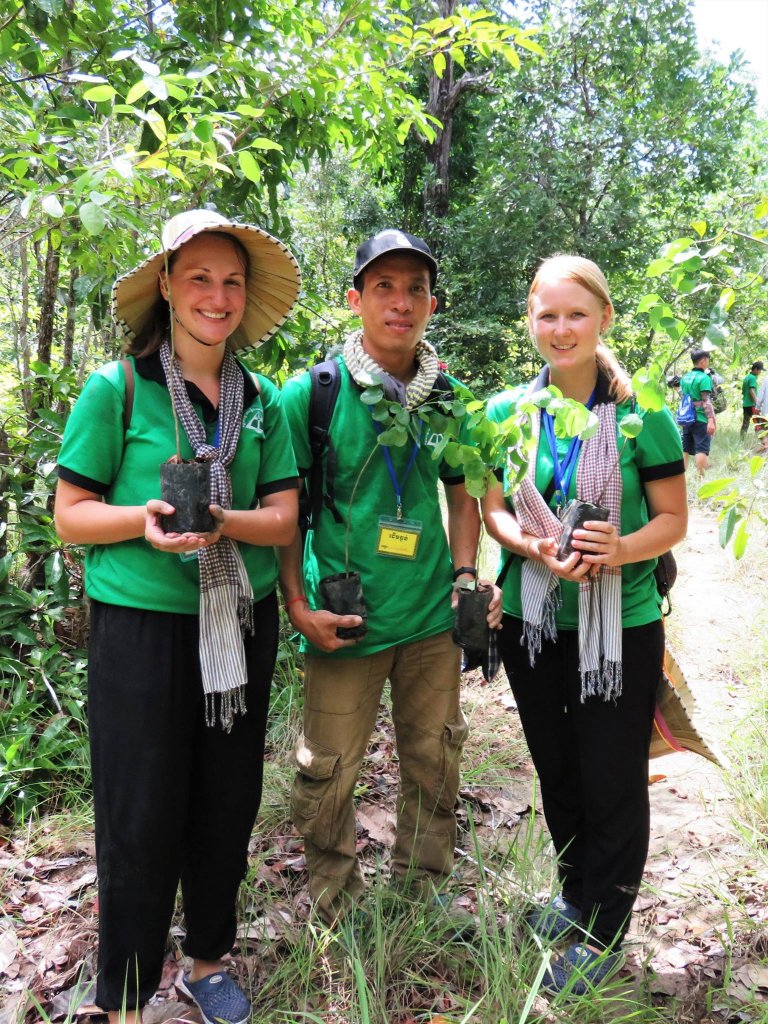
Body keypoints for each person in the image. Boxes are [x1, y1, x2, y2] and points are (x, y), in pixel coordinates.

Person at [54, 210, 301, 1024]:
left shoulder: (260, 401)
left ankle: (207, 961)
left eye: (232, 281)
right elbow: (72, 514)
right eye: (199, 277)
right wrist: (143, 519)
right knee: (139, 806)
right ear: (166, 285)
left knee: (225, 801)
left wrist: (224, 523)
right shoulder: (117, 388)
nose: (216, 296)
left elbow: (284, 517)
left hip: (238, 620)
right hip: (142, 629)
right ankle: (122, 992)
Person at [279, 229, 501, 924]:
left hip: (432, 612)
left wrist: (467, 574)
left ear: (433, 304)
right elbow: (283, 512)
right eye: (384, 287)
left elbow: (465, 489)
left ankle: (423, 888)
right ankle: (335, 899)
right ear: (355, 299)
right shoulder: (310, 395)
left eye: (415, 289)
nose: (400, 302)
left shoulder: (449, 397)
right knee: (329, 768)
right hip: (345, 618)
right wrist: (296, 603)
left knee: (436, 759)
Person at [482, 255, 686, 994]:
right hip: (534, 624)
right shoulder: (506, 413)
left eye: (576, 313)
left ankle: (604, 931)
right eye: (547, 315)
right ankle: (575, 897)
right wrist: (531, 545)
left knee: (611, 778)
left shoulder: (643, 412)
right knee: (558, 769)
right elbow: (492, 511)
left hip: (619, 627)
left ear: (603, 317)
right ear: (529, 322)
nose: (561, 329)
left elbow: (672, 519)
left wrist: (621, 549)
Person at [679, 349, 717, 477]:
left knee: (685, 448)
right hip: (700, 417)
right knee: (701, 448)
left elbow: (683, 397)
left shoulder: (685, 377)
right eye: (708, 360)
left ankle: (682, 477)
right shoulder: (704, 378)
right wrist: (711, 420)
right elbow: (706, 400)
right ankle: (701, 477)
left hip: (686, 418)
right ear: (703, 361)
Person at [741, 360, 764, 436]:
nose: (760, 372)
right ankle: (760, 440)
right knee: (758, 422)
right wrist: (757, 403)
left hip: (745, 404)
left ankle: (741, 439)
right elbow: (751, 391)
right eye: (760, 370)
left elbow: (744, 391)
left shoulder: (747, 378)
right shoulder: (752, 378)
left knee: (746, 422)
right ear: (756, 369)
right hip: (752, 405)